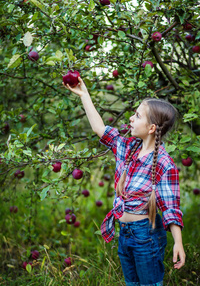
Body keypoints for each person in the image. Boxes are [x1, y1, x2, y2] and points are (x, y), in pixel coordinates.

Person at [63, 76, 185, 286]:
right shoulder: (127, 148)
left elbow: (171, 208)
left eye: (137, 116)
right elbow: (99, 129)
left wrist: (178, 243)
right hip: (125, 233)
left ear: (151, 128)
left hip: (146, 236)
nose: (131, 118)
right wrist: (84, 95)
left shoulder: (165, 164)